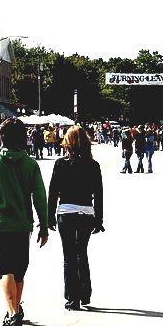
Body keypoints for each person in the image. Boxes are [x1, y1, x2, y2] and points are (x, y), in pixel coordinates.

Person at [0, 118, 49, 326]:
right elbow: (40, 197)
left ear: (1, 137)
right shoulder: (30, 164)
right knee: (18, 271)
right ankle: (15, 307)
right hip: (23, 225)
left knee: (4, 269)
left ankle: (13, 313)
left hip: (0, 224)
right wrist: (44, 226)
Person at [47, 126, 104, 311]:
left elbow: (53, 192)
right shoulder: (93, 165)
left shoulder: (61, 164)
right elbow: (99, 194)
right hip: (86, 213)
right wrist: (99, 219)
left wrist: (49, 217)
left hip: (66, 213)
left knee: (69, 256)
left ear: (67, 143)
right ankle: (85, 293)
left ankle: (72, 297)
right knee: (82, 253)